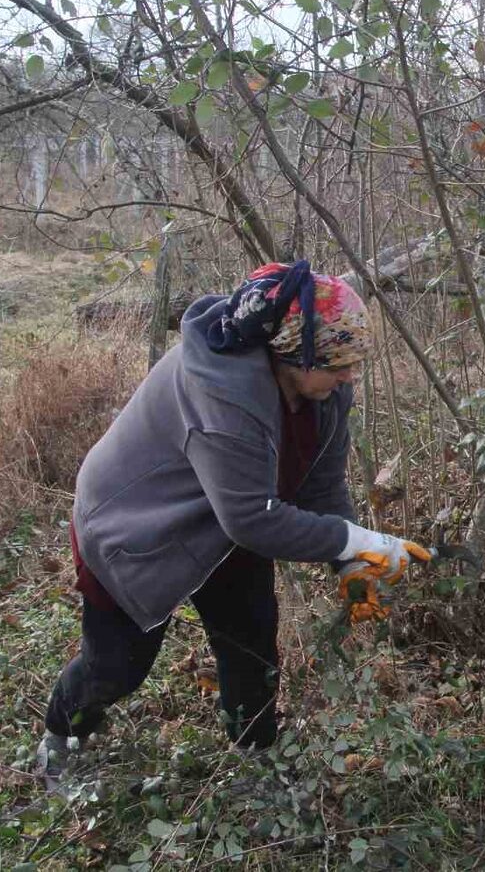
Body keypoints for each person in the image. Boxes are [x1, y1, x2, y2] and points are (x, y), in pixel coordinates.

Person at [36, 261, 430, 788]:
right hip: (134, 529)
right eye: (339, 362)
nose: (350, 375)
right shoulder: (223, 393)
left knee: (251, 644)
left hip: (228, 520)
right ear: (297, 352)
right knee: (118, 666)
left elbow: (321, 486)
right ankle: (62, 736)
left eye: (354, 363)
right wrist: (358, 539)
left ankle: (255, 758)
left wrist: (352, 560)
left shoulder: (326, 392)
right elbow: (249, 518)